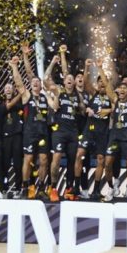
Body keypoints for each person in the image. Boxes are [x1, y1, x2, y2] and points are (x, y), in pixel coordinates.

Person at [101, 56, 127, 202]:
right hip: (114, 137)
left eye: (125, 88)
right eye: (120, 88)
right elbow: (107, 85)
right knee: (107, 164)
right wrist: (100, 68)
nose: (121, 89)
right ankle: (111, 188)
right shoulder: (115, 101)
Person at [46, 50, 86, 201]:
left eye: (71, 78)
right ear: (64, 82)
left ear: (74, 82)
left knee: (73, 160)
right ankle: (53, 188)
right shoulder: (59, 91)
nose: (69, 79)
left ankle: (69, 188)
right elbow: (46, 79)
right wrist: (53, 62)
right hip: (60, 131)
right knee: (56, 157)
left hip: (73, 132)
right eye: (67, 78)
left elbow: (82, 110)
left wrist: (84, 108)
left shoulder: (78, 95)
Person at [11, 55, 52, 200]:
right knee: (28, 159)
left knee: (44, 160)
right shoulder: (27, 95)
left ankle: (41, 187)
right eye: (33, 81)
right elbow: (18, 83)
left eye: (37, 82)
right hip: (29, 133)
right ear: (31, 84)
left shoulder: (45, 98)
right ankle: (25, 187)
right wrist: (14, 67)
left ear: (40, 86)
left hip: (43, 133)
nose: (35, 82)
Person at [77, 60, 112, 201]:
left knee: (101, 160)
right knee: (79, 154)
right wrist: (86, 67)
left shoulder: (111, 96)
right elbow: (85, 82)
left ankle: (96, 190)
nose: (102, 84)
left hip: (103, 132)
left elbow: (116, 108)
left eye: (104, 81)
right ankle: (76, 187)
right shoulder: (93, 93)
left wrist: (107, 110)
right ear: (97, 84)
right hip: (89, 130)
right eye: (100, 81)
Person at [1, 82, 24, 197]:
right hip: (5, 137)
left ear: (14, 90)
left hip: (17, 136)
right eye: (6, 88)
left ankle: (18, 188)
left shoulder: (20, 102)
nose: (8, 89)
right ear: (3, 91)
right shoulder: (0, 103)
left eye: (10, 88)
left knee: (17, 164)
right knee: (4, 164)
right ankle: (4, 188)